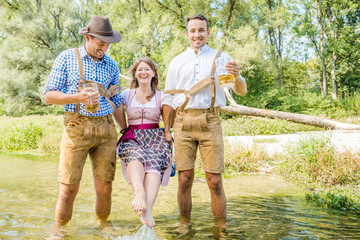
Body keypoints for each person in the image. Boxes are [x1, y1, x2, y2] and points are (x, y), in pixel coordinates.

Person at [162, 14, 247, 230]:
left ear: (208, 33)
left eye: (201, 30)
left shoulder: (222, 57)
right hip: (182, 122)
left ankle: (221, 229)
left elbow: (241, 91)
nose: (197, 34)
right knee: (184, 179)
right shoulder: (177, 61)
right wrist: (167, 130)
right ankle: (184, 225)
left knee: (215, 181)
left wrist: (237, 77)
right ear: (187, 34)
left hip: (211, 120)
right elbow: (169, 99)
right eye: (193, 31)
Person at [44, 15, 123, 229]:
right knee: (68, 189)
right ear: (88, 37)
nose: (105, 48)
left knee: (105, 187)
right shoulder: (66, 58)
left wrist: (125, 130)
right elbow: (49, 96)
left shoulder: (112, 66)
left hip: (106, 130)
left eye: (108, 44)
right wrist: (77, 97)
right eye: (101, 43)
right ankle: (59, 232)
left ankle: (102, 229)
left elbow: (117, 101)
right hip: (75, 129)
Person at [116, 58, 172, 228]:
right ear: (135, 74)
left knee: (155, 162)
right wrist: (123, 128)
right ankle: (139, 192)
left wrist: (168, 131)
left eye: (147, 69)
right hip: (132, 135)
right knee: (135, 155)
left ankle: (147, 208)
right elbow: (115, 107)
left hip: (155, 136)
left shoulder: (162, 96)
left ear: (154, 73)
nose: (143, 72)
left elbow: (170, 118)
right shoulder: (127, 94)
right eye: (140, 69)